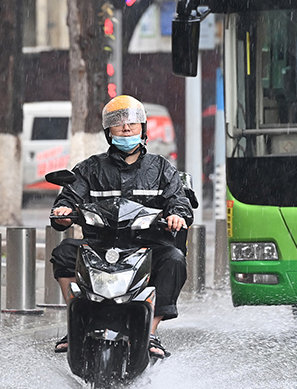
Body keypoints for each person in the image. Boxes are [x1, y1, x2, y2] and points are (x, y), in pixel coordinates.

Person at [49, 95, 193, 359]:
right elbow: (69, 198)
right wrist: (64, 212)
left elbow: (179, 201)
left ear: (143, 128)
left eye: (133, 123)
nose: (126, 128)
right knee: (64, 252)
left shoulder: (162, 169)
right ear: (108, 131)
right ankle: (76, 323)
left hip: (147, 245)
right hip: (100, 244)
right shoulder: (90, 168)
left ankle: (150, 331)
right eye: (118, 123)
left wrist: (177, 215)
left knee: (174, 258)